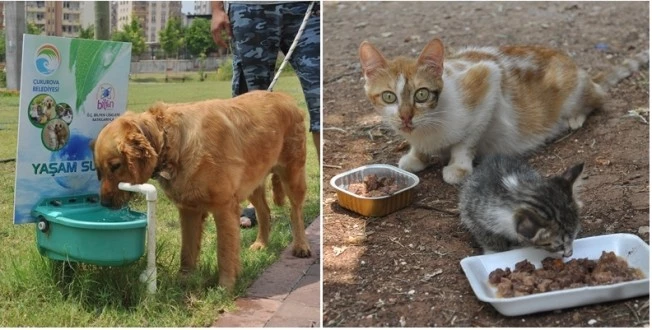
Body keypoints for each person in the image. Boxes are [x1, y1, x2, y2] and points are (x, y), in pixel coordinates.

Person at [211, 1, 321, 228]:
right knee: (250, 117)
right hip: (251, 9)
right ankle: (255, 202)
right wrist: (217, 9)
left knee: (322, 101)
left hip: (306, 9)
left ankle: (329, 190)